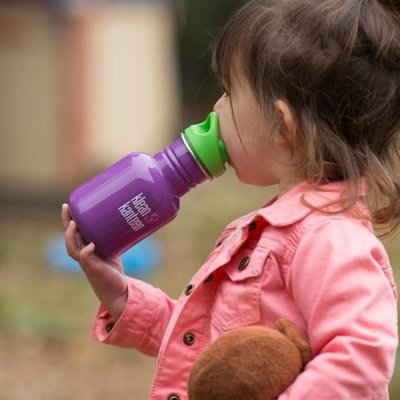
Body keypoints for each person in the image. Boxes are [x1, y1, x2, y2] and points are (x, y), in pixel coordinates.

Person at [62, 0, 400, 398]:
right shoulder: (280, 230)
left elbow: (360, 359)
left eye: (229, 92)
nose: (217, 107)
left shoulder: (329, 241)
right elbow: (209, 344)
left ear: (282, 126)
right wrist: (122, 297)